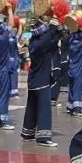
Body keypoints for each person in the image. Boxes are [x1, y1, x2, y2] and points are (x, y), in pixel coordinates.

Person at [22, 16, 58, 147]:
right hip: (42, 81)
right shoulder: (41, 43)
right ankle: (43, 138)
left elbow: (52, 36)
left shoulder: (34, 42)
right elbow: (51, 32)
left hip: (33, 81)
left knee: (31, 108)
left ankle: (28, 133)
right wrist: (54, 19)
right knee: (44, 109)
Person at [65, 21, 82, 118]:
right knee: (78, 89)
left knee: (71, 89)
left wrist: (74, 27)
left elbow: (72, 34)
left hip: (71, 68)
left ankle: (69, 107)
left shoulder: (71, 42)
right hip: (78, 70)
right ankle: (77, 110)